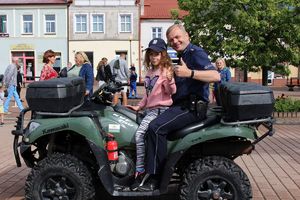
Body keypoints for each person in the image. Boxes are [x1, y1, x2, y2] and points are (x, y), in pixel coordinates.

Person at [139, 24, 220, 191]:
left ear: (187, 35)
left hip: (190, 109)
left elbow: (215, 75)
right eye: (171, 40)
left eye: (178, 37)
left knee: (155, 128)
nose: (175, 41)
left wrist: (189, 73)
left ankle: (155, 178)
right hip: (180, 106)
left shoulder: (195, 52)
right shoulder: (182, 54)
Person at [126, 38, 176, 190]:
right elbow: (148, 95)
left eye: (157, 54)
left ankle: (140, 172)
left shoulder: (166, 71)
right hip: (150, 109)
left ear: (163, 55)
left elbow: (171, 92)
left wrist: (169, 81)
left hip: (160, 110)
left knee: (139, 134)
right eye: (151, 54)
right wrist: (139, 107)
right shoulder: (149, 72)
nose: (154, 57)